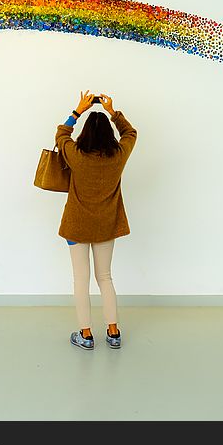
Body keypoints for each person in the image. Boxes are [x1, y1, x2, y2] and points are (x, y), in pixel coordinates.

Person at [55, 90, 138, 351]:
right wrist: (113, 111)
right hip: (106, 225)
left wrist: (78, 111)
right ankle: (113, 332)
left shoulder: (76, 154)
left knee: (81, 280)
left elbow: (61, 135)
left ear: (86, 134)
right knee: (105, 277)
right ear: (109, 135)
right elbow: (130, 134)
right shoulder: (118, 155)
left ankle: (86, 335)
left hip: (76, 225)